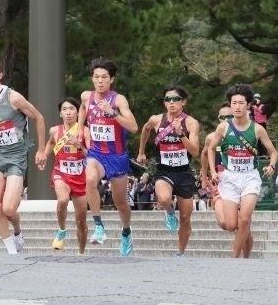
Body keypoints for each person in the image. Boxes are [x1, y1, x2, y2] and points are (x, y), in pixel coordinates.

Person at [0, 58, 48, 255]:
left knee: (9, 208)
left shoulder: (13, 98)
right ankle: (11, 251)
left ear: (1, 75)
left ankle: (18, 233)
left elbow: (39, 118)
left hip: (16, 156)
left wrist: (40, 149)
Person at [203, 84, 278, 259]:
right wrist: (213, 171)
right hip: (229, 178)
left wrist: (272, 166)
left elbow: (273, 151)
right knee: (231, 225)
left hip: (250, 177)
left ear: (249, 105)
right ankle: (245, 236)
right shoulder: (224, 128)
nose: (237, 107)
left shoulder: (258, 129)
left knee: (244, 219)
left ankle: (236, 260)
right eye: (234, 103)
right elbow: (211, 149)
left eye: (240, 103)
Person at [78, 58, 139, 256]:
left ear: (111, 79)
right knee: (90, 179)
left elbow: (133, 127)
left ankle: (126, 232)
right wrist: (80, 128)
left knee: (120, 202)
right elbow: (82, 108)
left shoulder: (118, 100)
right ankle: (99, 227)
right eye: (96, 77)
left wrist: (112, 113)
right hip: (96, 153)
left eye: (104, 77)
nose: (100, 81)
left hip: (118, 157)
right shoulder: (87, 96)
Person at [137, 85, 200, 257]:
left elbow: (195, 151)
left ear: (183, 102)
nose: (171, 103)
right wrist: (141, 151)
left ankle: (180, 253)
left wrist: (181, 134)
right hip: (164, 171)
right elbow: (145, 129)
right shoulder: (157, 119)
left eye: (175, 99)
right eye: (167, 99)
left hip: (184, 173)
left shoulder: (191, 123)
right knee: (164, 199)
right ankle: (170, 212)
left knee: (186, 219)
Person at [49, 98, 88, 254]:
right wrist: (43, 155)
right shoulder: (54, 130)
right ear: (60, 113)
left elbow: (91, 155)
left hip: (80, 177)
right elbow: (51, 143)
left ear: (78, 112)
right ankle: (61, 230)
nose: (68, 112)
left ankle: (81, 252)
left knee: (81, 221)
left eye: (71, 109)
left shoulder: (84, 131)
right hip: (61, 173)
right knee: (63, 199)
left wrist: (79, 146)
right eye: (64, 109)